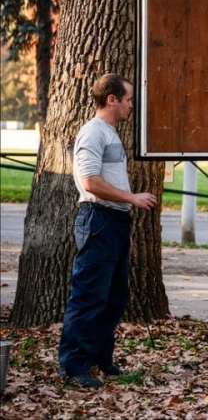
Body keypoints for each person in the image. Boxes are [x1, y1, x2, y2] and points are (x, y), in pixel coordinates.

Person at [58, 73, 157, 388]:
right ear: (111, 99)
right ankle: (74, 367)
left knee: (114, 298)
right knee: (89, 296)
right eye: (127, 99)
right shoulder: (93, 132)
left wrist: (124, 226)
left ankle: (100, 358)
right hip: (97, 219)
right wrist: (132, 198)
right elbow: (90, 182)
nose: (131, 105)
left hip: (114, 222)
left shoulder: (110, 133)